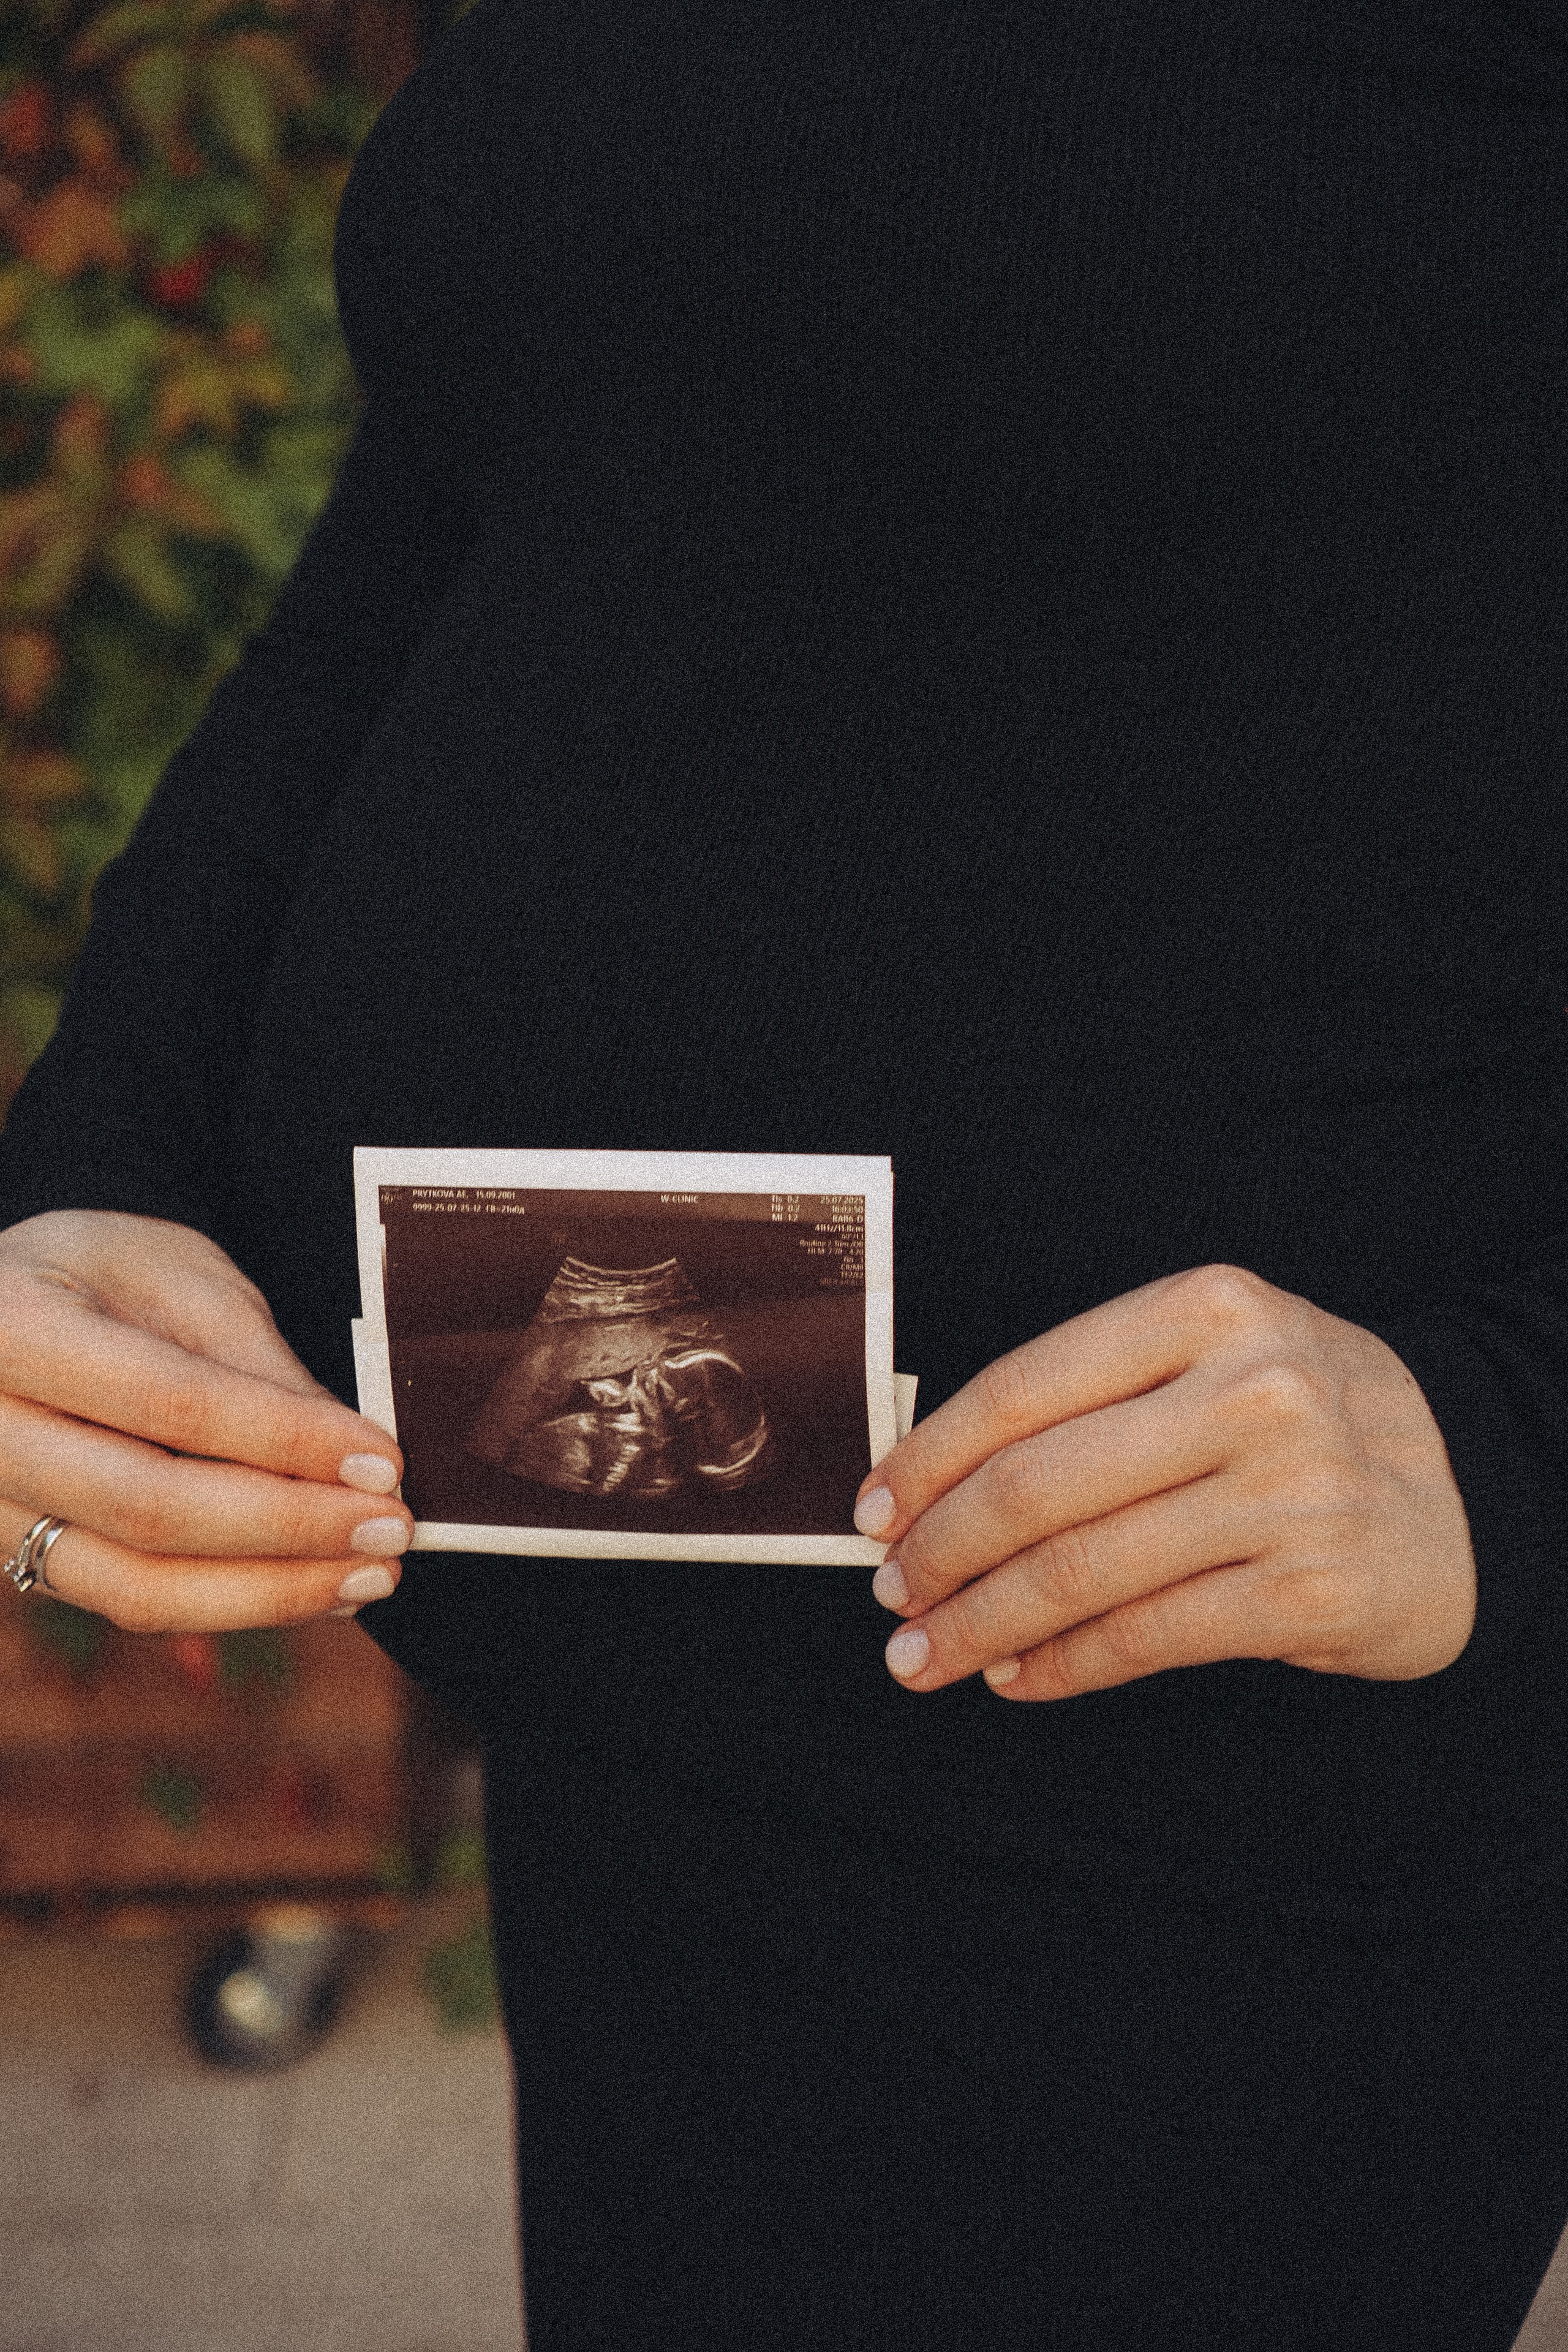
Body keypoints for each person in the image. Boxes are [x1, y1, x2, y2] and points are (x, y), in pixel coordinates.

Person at [2, 2, 1567, 2342]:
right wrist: (101, 1145)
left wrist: (1522, 1449)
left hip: (1212, 1823)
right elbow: (448, 522)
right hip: (629, 1758)